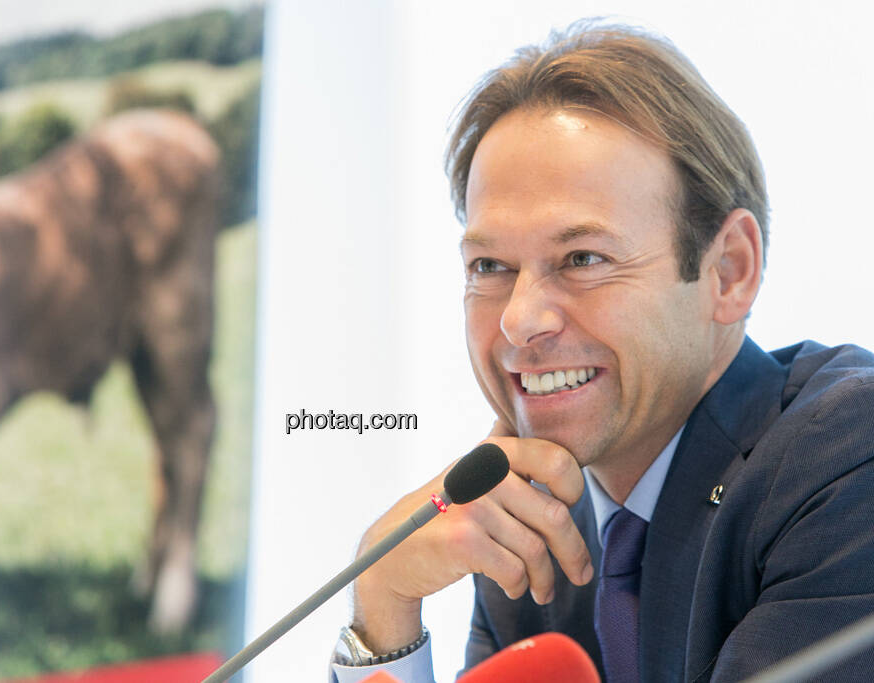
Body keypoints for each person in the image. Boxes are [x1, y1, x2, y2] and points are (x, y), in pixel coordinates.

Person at [329, 20, 874, 683]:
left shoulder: (848, 454)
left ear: (728, 270)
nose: (520, 320)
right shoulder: (527, 525)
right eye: (490, 265)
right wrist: (385, 601)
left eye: (582, 257)